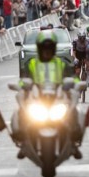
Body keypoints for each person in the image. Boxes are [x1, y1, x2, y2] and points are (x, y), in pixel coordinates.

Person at [12, 31, 82, 159]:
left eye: (49, 48)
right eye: (44, 48)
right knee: (22, 108)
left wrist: (77, 83)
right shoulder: (32, 63)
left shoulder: (61, 62)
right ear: (39, 48)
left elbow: (72, 76)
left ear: (54, 48)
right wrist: (21, 85)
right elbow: (24, 78)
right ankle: (24, 142)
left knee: (73, 108)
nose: (47, 51)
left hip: (57, 96)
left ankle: (73, 142)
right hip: (37, 96)